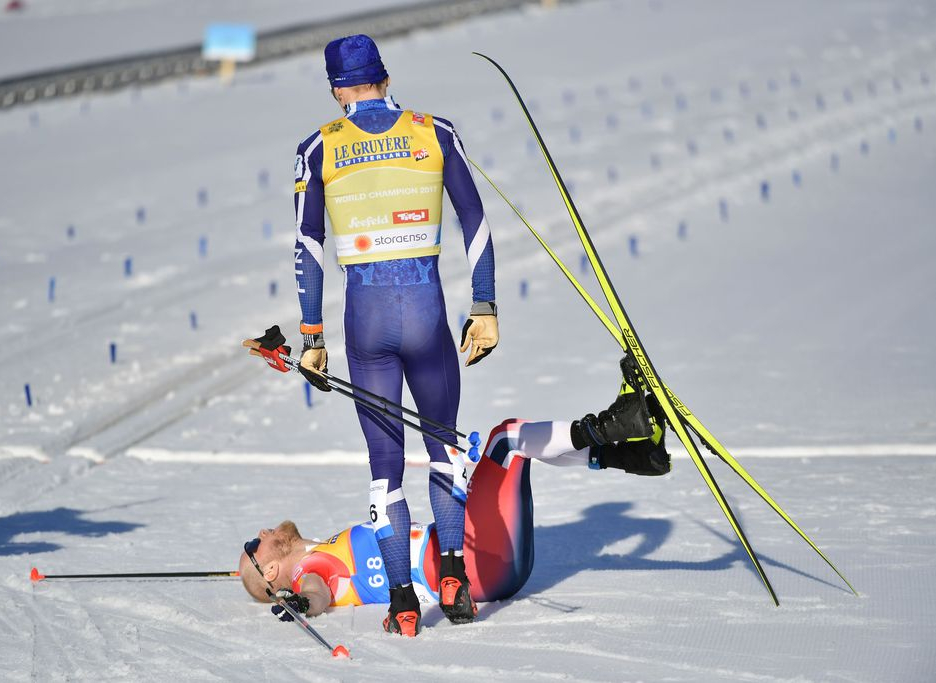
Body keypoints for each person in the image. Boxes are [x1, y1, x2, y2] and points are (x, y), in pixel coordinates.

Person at [290, 34, 498, 634]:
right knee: (443, 448)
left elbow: (307, 247)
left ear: (336, 89)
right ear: (384, 75)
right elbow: (475, 220)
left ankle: (405, 604)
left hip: (366, 326)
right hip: (428, 317)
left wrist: (312, 335)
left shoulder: (319, 147)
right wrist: (483, 306)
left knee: (385, 464)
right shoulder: (436, 131)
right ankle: (454, 579)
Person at [240, 367, 670, 636]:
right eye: (253, 549)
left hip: (485, 566)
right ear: (272, 570)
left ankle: (631, 452)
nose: (259, 536)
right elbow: (316, 593)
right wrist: (298, 602)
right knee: (507, 440)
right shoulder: (310, 571)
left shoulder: (322, 548)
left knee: (513, 454)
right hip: (473, 564)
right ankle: (613, 427)